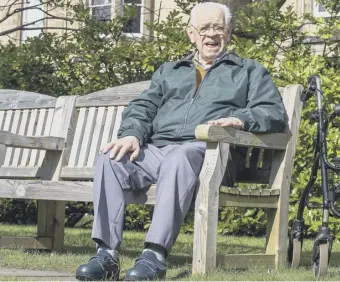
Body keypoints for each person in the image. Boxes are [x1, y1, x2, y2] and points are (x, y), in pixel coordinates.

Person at [75, 2, 286, 281]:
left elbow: (273, 112)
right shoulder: (170, 71)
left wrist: (242, 119)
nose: (212, 34)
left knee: (181, 155)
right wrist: (132, 133)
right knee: (110, 157)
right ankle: (106, 255)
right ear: (191, 34)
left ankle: (154, 256)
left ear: (230, 32)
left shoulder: (248, 71)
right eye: (204, 28)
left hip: (212, 153)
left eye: (218, 28)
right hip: (159, 151)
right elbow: (143, 108)